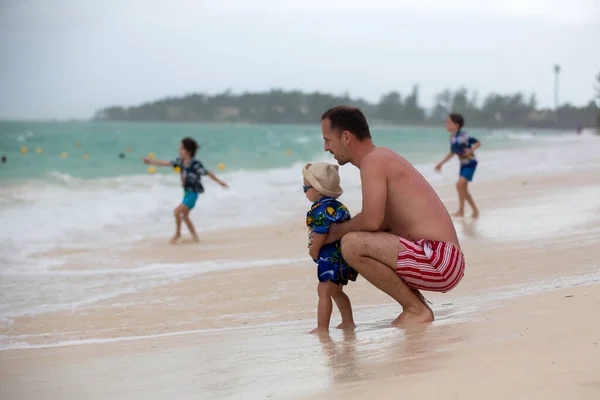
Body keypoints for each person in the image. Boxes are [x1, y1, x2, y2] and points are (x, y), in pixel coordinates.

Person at [320, 106, 465, 327]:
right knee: (359, 238)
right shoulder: (380, 158)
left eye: (328, 139)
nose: (326, 147)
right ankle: (417, 306)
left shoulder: (373, 161)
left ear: (346, 137)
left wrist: (336, 232)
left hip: (440, 260)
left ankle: (415, 310)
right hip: (442, 259)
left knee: (351, 243)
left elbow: (371, 220)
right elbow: (382, 225)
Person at [303, 162, 357, 334]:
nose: (304, 191)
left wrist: (314, 251)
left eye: (305, 187)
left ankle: (322, 327)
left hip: (330, 258)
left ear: (317, 190)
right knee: (337, 291)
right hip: (344, 255)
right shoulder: (338, 206)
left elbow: (320, 234)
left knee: (324, 291)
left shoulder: (319, 210)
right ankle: (348, 322)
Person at [143, 137, 228, 244]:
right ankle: (195, 238)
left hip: (193, 194)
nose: (179, 150)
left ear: (187, 151)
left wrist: (220, 182)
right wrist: (150, 162)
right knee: (185, 216)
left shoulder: (195, 164)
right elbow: (166, 163)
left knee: (177, 212)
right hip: (186, 193)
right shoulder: (180, 162)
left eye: (181, 148)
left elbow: (207, 172)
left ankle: (178, 234)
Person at [435, 113, 481, 218]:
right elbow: (452, 152)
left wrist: (471, 150)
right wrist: (441, 163)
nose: (446, 124)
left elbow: (477, 142)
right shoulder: (452, 138)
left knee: (459, 185)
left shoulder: (463, 136)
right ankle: (474, 211)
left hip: (470, 163)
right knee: (463, 188)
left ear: (456, 124)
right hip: (463, 165)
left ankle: (461, 211)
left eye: (449, 122)